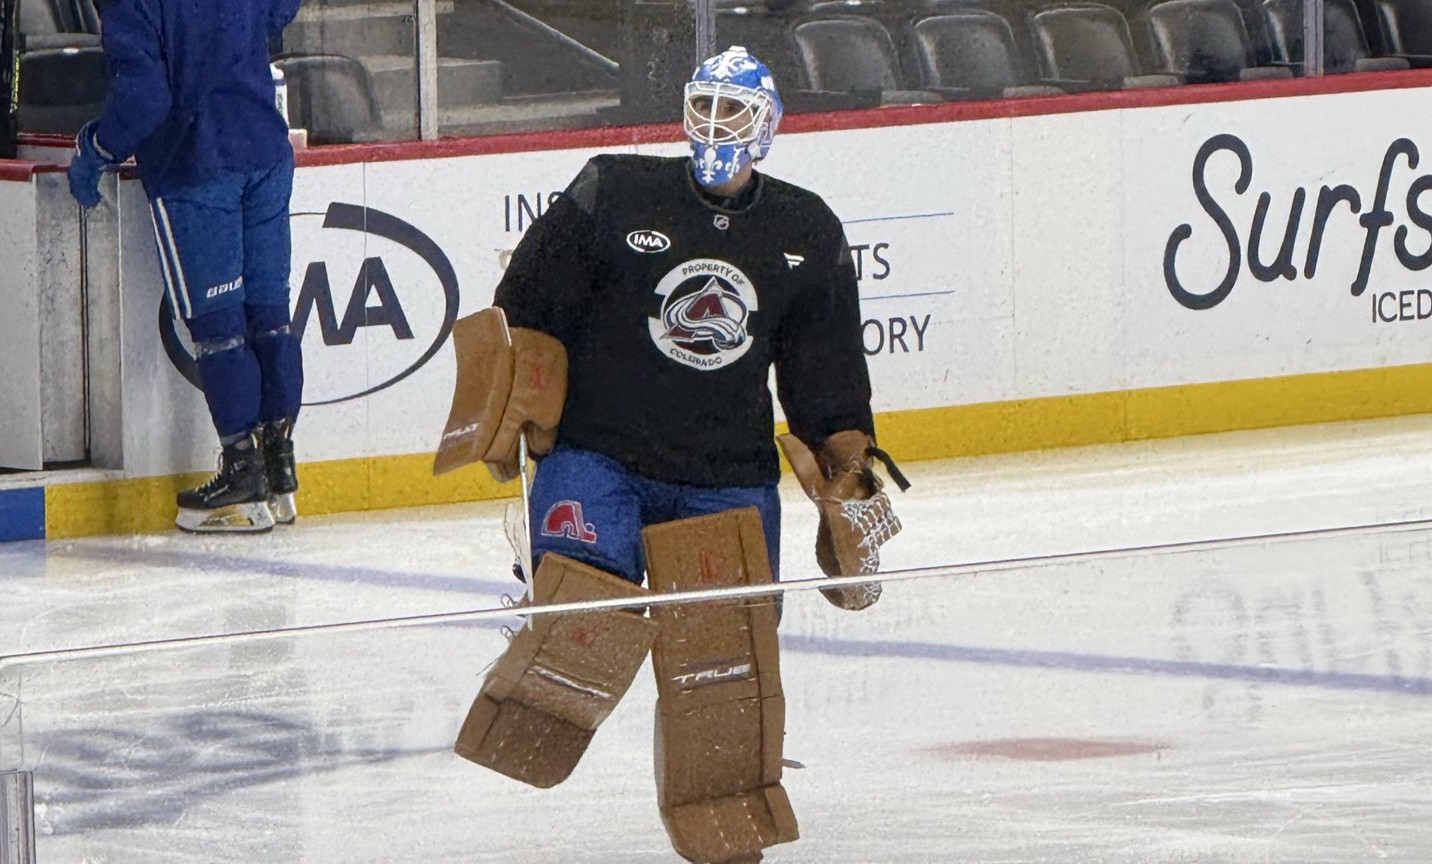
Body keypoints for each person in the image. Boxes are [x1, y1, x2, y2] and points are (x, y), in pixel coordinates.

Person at [436, 46, 905, 863]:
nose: (716, 126)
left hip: (725, 472)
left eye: (735, 111)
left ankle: (722, 820)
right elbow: (525, 312)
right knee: (589, 604)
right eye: (705, 105)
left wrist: (849, 471)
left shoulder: (806, 228)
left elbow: (825, 375)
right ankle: (542, 567)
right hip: (598, 451)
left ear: (770, 127)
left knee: (723, 665)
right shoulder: (612, 190)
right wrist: (506, 407)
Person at [66, 0, 304, 533]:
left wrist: (96, 148)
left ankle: (242, 467)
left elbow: (144, 98)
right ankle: (278, 461)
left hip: (197, 163)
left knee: (220, 329)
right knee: (270, 317)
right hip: (265, 149)